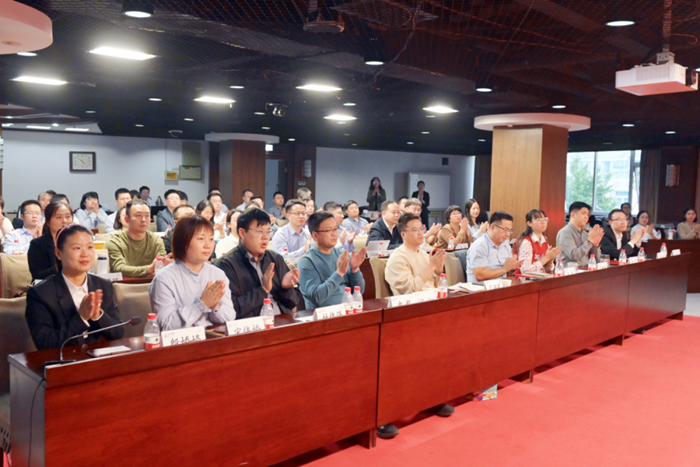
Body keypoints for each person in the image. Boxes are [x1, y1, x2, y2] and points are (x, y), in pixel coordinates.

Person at [381, 212, 454, 439]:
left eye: (422, 228)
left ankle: (432, 398)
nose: (421, 233)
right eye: (415, 230)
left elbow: (434, 285)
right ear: (403, 234)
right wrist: (431, 267)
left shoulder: (423, 253)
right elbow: (410, 290)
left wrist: (438, 269)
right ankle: (391, 411)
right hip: (407, 315)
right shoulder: (398, 258)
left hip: (430, 309)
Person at [25, 224, 124, 351]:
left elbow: (118, 333)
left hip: (98, 359)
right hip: (63, 360)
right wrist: (81, 317)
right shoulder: (40, 294)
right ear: (58, 253)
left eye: (90, 247)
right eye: (77, 248)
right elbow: (45, 343)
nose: (85, 254)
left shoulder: (104, 286)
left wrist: (98, 315)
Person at [149, 215, 236, 330]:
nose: (208, 245)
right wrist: (201, 305)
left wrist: (216, 307)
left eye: (211, 239)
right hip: (182, 340)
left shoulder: (218, 274)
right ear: (183, 241)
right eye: (201, 239)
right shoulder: (164, 279)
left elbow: (229, 318)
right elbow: (166, 325)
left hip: (214, 338)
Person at [216, 208, 302, 319]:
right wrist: (263, 290)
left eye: (268, 231)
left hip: (282, 322)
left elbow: (294, 303)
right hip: (252, 327)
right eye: (260, 231)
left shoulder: (275, 259)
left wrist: (285, 289)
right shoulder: (226, 265)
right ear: (242, 233)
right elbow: (232, 310)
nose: (265, 237)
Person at [298, 212, 367, 309]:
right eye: (328, 230)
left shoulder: (342, 255)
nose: (334, 234)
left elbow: (359, 291)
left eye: (335, 229)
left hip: (348, 310)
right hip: (323, 314)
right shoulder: (307, 261)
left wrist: (354, 270)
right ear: (315, 235)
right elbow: (317, 297)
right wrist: (339, 273)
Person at [106, 199, 173, 277]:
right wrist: (149, 269)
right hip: (123, 283)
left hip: (151, 282)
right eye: (138, 215)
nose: (143, 220)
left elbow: (161, 265)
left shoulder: (156, 240)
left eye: (147, 216)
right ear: (127, 219)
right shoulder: (116, 240)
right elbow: (119, 268)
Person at [467, 211, 524, 284]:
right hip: (481, 288)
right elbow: (479, 275)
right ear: (493, 227)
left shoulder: (505, 245)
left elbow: (506, 272)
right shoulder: (480, 245)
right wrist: (504, 269)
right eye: (505, 230)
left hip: (501, 286)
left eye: (510, 231)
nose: (508, 234)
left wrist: (512, 267)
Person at [28, 201, 73, 280]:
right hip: (48, 284)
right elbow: (37, 275)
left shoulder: (77, 242)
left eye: (68, 217)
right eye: (59, 217)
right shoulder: (37, 244)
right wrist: (62, 265)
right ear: (48, 222)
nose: (65, 221)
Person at [513, 209, 561, 274]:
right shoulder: (526, 242)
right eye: (538, 219)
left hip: (540, 277)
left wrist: (550, 261)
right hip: (524, 279)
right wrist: (546, 258)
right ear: (529, 223)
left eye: (545, 219)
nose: (543, 222)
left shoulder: (545, 239)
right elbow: (525, 270)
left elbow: (547, 269)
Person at [556, 202, 603, 266]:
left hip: (586, 269)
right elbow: (574, 256)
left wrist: (595, 245)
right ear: (573, 214)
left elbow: (596, 260)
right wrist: (589, 242)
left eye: (587, 215)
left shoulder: (586, 234)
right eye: (583, 213)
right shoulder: (565, 232)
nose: (586, 217)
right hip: (569, 270)